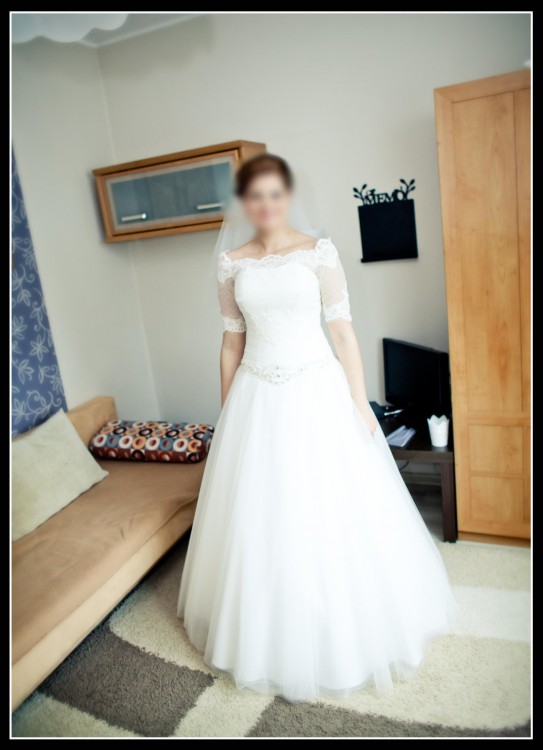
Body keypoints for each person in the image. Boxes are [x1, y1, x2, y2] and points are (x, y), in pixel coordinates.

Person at [178, 154, 455, 701]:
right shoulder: (232, 263)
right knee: (261, 512)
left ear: (288, 196)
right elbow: (231, 343)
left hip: (315, 389)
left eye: (274, 194)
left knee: (327, 504)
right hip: (256, 394)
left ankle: (338, 626)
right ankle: (265, 629)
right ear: (244, 202)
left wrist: (359, 404)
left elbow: (343, 333)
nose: (266, 204)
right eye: (255, 196)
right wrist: (228, 410)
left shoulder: (319, 252)